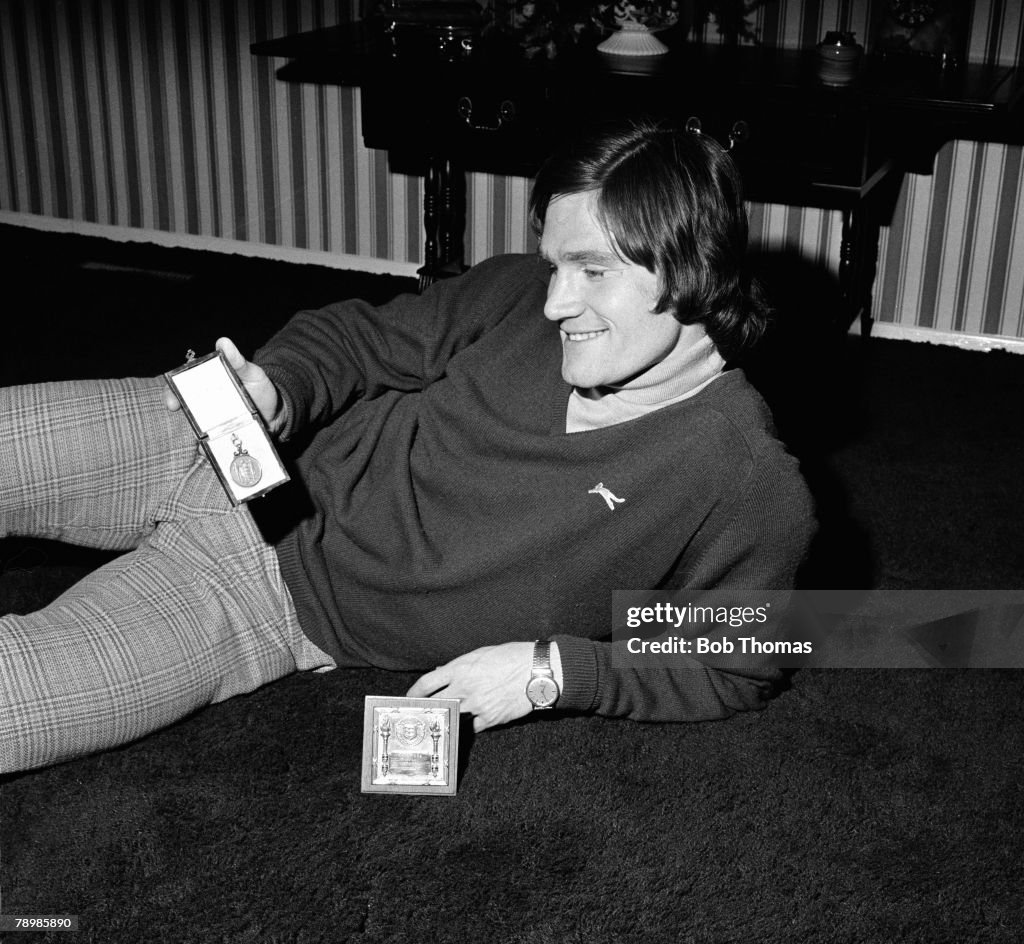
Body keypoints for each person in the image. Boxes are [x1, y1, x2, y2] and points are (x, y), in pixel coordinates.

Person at [0, 119, 814, 775]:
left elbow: (733, 665)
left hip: (272, 606)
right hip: (204, 441)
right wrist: (279, 389)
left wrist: (551, 673)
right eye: (553, 265)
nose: (555, 302)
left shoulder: (743, 478)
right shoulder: (514, 294)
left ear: (694, 266)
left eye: (591, 271)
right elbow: (362, 337)